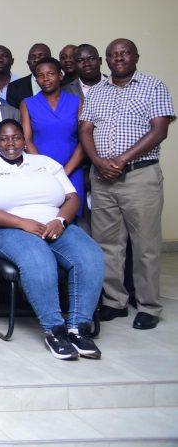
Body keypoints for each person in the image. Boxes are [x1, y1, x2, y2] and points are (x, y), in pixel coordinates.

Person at [0, 120, 104, 360]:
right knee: (38, 258)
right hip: (11, 229)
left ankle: (78, 328)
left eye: (16, 137)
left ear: (24, 140)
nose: (11, 143)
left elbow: (72, 197)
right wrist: (23, 223)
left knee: (90, 255)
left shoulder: (45, 163)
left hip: (55, 225)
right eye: (4, 139)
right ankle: (55, 330)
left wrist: (60, 221)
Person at [78, 38, 173, 330]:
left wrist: (121, 159)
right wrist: (98, 161)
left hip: (139, 176)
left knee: (145, 246)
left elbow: (159, 130)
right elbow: (85, 129)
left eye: (124, 53)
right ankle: (114, 301)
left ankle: (148, 306)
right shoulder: (97, 91)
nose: (118, 58)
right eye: (113, 55)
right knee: (107, 243)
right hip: (103, 177)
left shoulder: (153, 86)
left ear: (135, 57)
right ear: (106, 60)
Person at [22, 58, 85, 221]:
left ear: (60, 75)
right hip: (41, 172)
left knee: (74, 219)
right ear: (36, 79)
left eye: (50, 73)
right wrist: (45, 170)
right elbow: (27, 140)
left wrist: (65, 172)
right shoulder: (28, 103)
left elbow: (84, 140)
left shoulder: (76, 102)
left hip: (72, 170)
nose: (45, 79)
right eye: (40, 75)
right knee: (45, 217)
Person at [6, 43, 51, 109]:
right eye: (32, 57)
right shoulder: (15, 87)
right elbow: (13, 114)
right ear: (28, 62)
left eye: (41, 56)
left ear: (50, 59)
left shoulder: (62, 84)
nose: (36, 60)